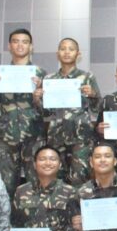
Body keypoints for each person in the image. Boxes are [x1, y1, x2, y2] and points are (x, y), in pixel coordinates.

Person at [0, 28, 46, 197]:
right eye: (16, 41)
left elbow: (48, 111)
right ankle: (7, 222)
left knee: (36, 182)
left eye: (25, 42)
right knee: (7, 183)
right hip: (8, 136)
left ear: (31, 47)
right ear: (9, 46)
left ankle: (34, 222)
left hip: (34, 136)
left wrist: (40, 92)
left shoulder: (40, 74)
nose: (20, 45)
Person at [37, 37, 101, 185]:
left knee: (80, 179)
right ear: (57, 53)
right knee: (56, 180)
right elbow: (46, 113)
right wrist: (38, 99)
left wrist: (93, 95)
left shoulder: (87, 77)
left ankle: (78, 209)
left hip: (81, 137)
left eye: (71, 49)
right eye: (63, 49)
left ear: (78, 54)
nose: (66, 52)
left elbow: (97, 108)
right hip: (56, 136)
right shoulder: (50, 78)